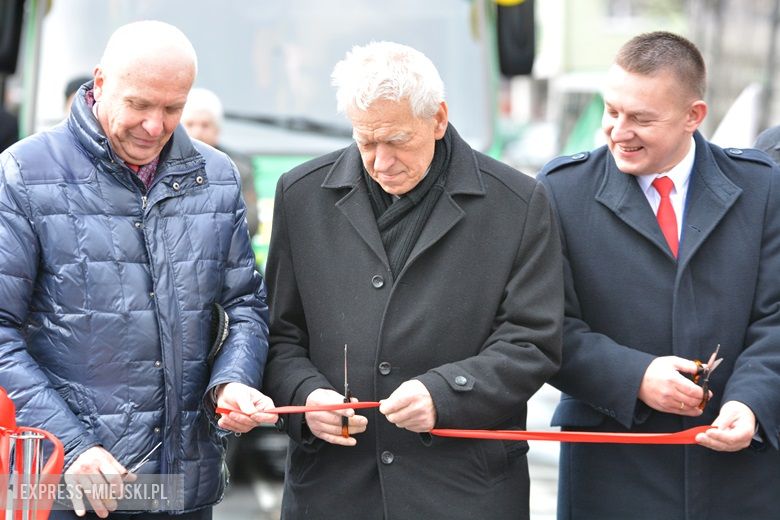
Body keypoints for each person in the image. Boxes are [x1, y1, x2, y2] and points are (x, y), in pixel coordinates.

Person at [262, 41, 563, 520]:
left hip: (464, 491)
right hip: (333, 492)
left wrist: (446, 394)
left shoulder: (519, 203)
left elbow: (533, 342)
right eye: (366, 142)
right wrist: (304, 396)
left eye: (397, 141)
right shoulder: (300, 195)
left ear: (439, 119)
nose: (381, 163)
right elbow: (279, 334)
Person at [0, 20, 278, 519]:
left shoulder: (216, 177)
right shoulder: (22, 173)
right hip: (63, 484)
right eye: (139, 105)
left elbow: (244, 305)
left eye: (173, 108)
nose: (155, 125)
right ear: (100, 82)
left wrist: (232, 380)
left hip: (181, 486)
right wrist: (73, 447)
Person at [538, 31, 780, 520]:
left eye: (641, 119)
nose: (617, 132)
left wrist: (751, 405)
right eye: (612, 111)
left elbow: (774, 318)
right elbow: (543, 327)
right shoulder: (561, 192)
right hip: (610, 470)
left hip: (738, 473)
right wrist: (637, 377)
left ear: (694, 116)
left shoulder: (763, 188)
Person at [180, 87, 259, 238]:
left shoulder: (237, 168)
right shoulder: (161, 165)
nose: (197, 132)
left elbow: (251, 223)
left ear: (217, 131)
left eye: (205, 125)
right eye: (190, 124)